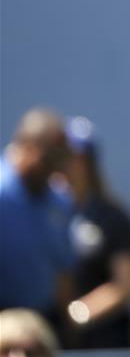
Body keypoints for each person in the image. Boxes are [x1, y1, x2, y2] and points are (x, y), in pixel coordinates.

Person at [61, 117, 130, 349]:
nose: (71, 166)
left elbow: (122, 286)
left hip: (107, 343)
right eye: (64, 157)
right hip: (61, 344)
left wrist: (76, 315)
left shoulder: (114, 217)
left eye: (79, 158)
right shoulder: (48, 213)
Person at [0, 109, 75, 344]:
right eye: (51, 158)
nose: (57, 168)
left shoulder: (59, 200)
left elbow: (62, 271)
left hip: (45, 327)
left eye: (61, 158)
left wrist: (71, 331)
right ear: (27, 147)